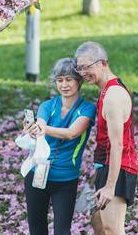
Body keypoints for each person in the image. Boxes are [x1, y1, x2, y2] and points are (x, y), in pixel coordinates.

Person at [23, 58, 97, 235]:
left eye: (69, 79)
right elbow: (40, 122)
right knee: (37, 229)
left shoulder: (87, 109)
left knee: (62, 231)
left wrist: (44, 129)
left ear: (79, 81)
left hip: (65, 179)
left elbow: (72, 132)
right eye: (60, 80)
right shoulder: (47, 106)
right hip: (37, 174)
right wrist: (33, 129)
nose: (64, 84)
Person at [74, 42, 138, 235]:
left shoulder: (113, 96)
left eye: (87, 66)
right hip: (105, 166)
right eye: (80, 68)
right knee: (99, 226)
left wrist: (110, 186)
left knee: (112, 230)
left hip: (120, 169)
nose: (83, 72)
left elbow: (118, 144)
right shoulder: (105, 91)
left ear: (102, 63)